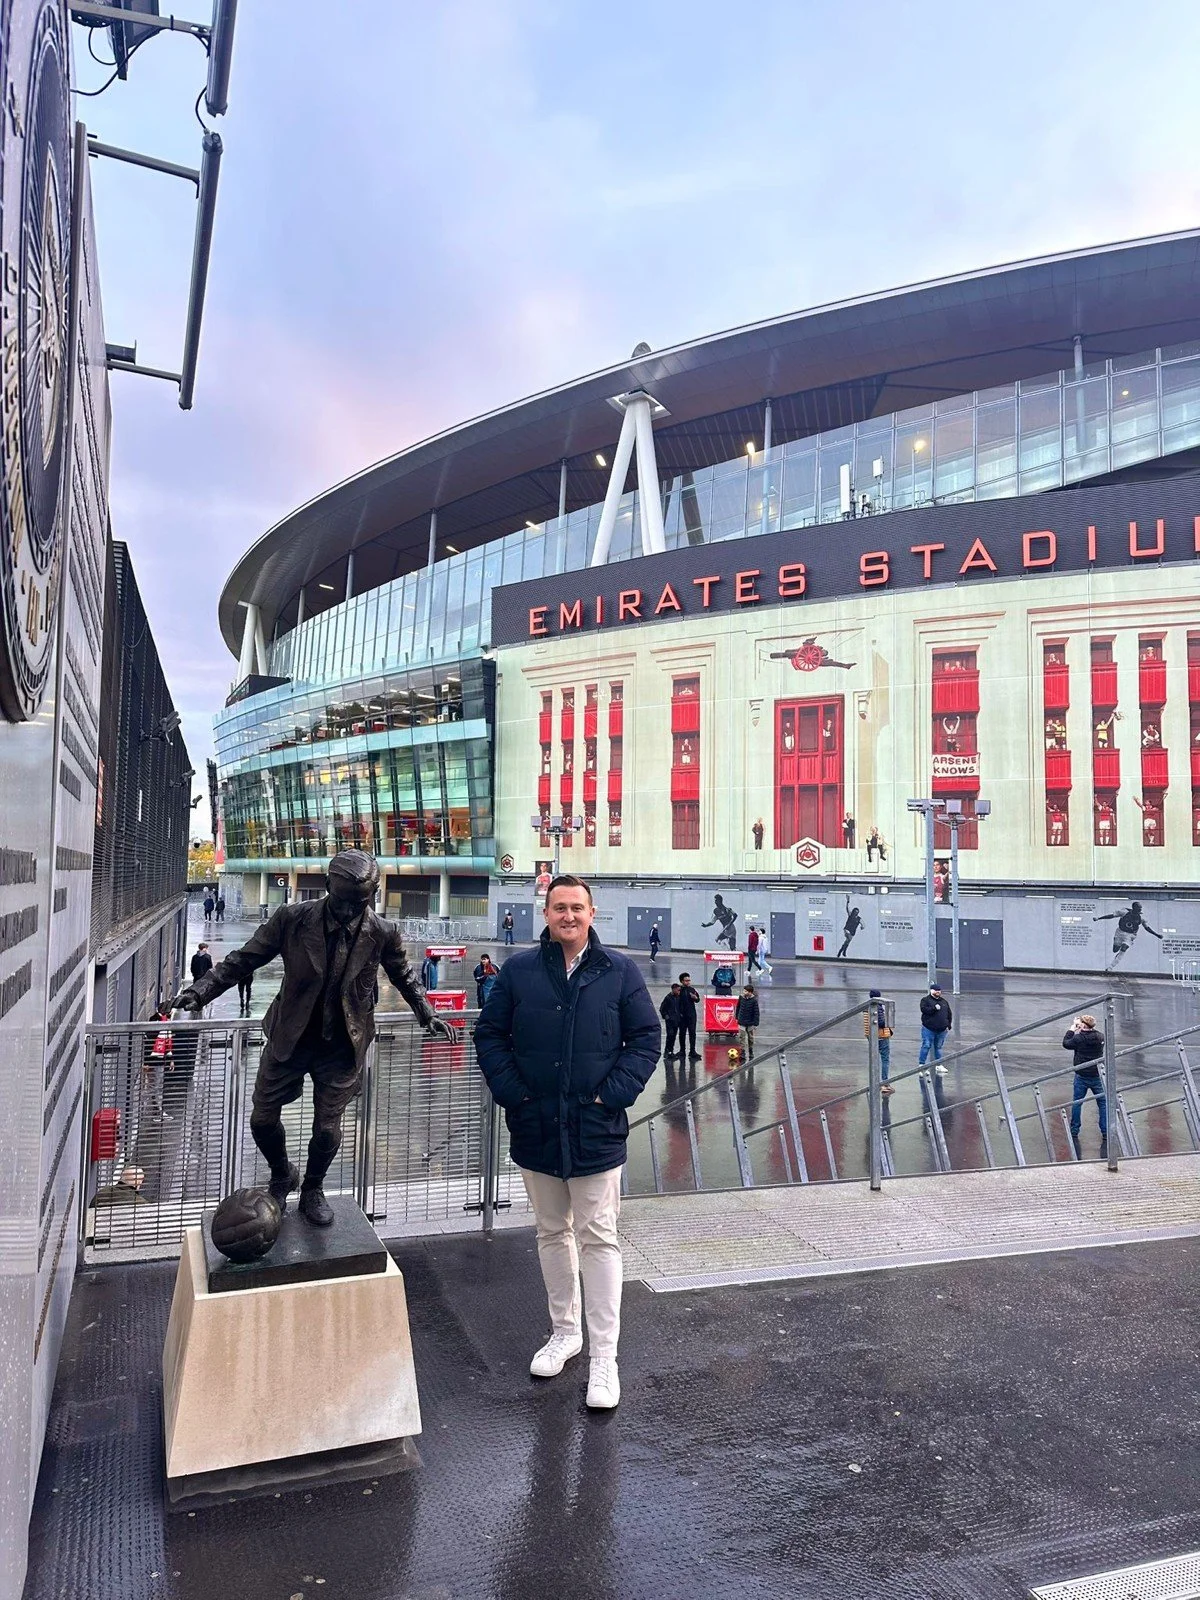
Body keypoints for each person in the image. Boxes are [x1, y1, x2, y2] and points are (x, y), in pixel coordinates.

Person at [172, 849, 456, 1226]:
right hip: (291, 1035)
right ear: (326, 886)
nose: (350, 910)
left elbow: (403, 975)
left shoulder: (382, 932)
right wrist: (201, 990)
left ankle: (313, 1188)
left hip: (343, 1044)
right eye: (343, 901)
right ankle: (282, 1174)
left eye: (360, 902)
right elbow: (245, 958)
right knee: (261, 1120)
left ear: (371, 896)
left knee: (326, 1128)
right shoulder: (292, 919)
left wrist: (427, 1012)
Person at [474, 875, 659, 1410]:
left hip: (595, 1128)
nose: (569, 916)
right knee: (552, 1232)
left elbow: (645, 1039)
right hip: (536, 1125)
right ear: (547, 914)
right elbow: (491, 1034)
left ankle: (605, 1357)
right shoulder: (520, 971)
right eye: (560, 908)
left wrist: (610, 1096)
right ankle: (565, 1333)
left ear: (592, 913)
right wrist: (515, 1095)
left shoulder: (619, 971)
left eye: (577, 907)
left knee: (599, 1238)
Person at [1062, 1013, 1107, 1157]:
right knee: (1103, 1103)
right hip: (1097, 1075)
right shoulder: (1100, 1037)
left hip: (1081, 1075)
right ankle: (1105, 1131)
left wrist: (1072, 1028)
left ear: (1083, 1025)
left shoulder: (1079, 1038)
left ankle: (1074, 1130)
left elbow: (1066, 1043)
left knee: (1077, 1102)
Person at [1094, 902, 1161, 969]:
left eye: (1140, 909)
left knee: (1124, 948)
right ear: (1134, 908)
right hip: (1120, 932)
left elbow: (1147, 928)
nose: (1140, 910)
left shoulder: (1141, 918)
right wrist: (1099, 918)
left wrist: (1157, 935)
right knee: (1115, 950)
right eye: (1138, 908)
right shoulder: (1124, 912)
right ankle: (1118, 951)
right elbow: (1111, 916)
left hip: (1130, 935)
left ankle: (1110, 967)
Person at [918, 983, 952, 1076]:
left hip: (942, 1030)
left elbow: (949, 1014)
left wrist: (948, 1025)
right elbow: (924, 1010)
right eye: (936, 990)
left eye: (939, 990)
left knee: (938, 1047)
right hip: (928, 1029)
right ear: (931, 991)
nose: (938, 992)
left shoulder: (944, 1002)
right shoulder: (925, 1000)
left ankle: (939, 1065)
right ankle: (922, 1065)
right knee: (926, 1045)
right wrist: (934, 1008)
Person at [865, 988, 893, 1093]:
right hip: (881, 1035)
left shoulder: (866, 1006)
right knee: (885, 1059)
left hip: (870, 1035)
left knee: (874, 1059)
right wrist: (888, 1021)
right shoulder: (878, 1007)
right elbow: (881, 1023)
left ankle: (874, 1082)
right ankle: (885, 1083)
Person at [677, 972, 701, 1060]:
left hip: (691, 1015)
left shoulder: (692, 989)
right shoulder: (679, 990)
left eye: (689, 980)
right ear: (682, 981)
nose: (688, 982)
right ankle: (682, 1051)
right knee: (682, 1033)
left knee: (692, 1033)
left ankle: (692, 1051)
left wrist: (695, 998)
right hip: (682, 1016)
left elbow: (698, 999)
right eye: (686, 981)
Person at [734, 984, 759, 1060]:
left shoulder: (754, 1000)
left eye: (745, 991)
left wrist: (755, 1023)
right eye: (744, 990)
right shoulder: (741, 998)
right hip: (742, 1020)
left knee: (750, 1038)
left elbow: (756, 1012)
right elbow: (738, 1007)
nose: (744, 992)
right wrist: (737, 1017)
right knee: (742, 1037)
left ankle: (750, 1050)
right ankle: (742, 1052)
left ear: (750, 992)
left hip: (750, 1022)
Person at [659, 983, 682, 1059]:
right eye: (678, 990)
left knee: (673, 1036)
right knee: (670, 1036)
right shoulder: (668, 998)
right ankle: (667, 1052)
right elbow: (662, 1008)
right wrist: (666, 1016)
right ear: (674, 989)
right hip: (670, 1021)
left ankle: (670, 1051)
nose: (679, 992)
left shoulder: (678, 997)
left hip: (676, 1020)